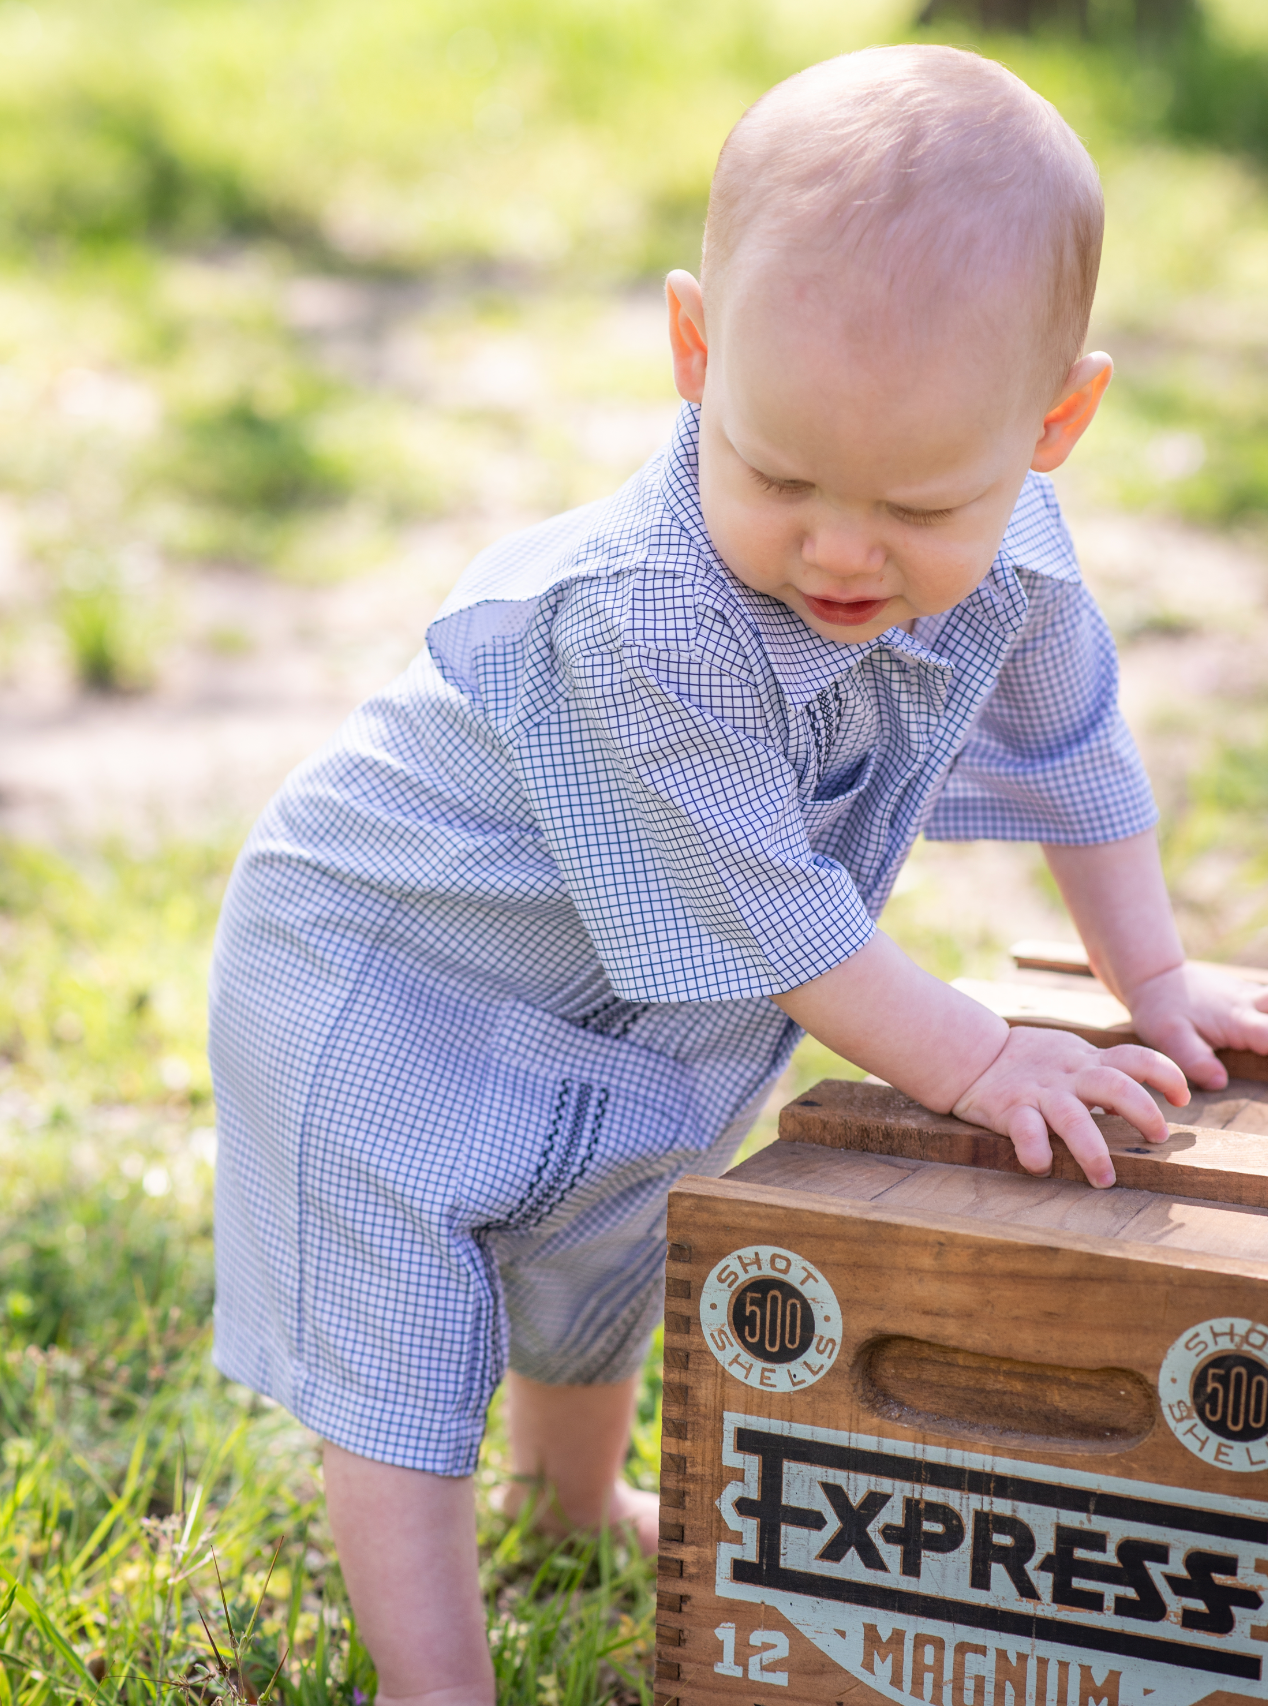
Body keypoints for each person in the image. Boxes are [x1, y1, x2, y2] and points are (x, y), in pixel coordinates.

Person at [208, 42, 1268, 1706]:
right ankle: (435, 1678)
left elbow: (1079, 757)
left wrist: (1155, 980)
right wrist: (981, 1059)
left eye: (920, 502)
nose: (841, 552)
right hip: (383, 970)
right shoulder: (648, 626)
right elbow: (782, 920)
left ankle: (562, 1498)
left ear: (1054, 422)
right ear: (697, 352)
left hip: (616, 988)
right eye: (778, 478)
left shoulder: (1023, 560)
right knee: (408, 1332)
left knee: (611, 1236)